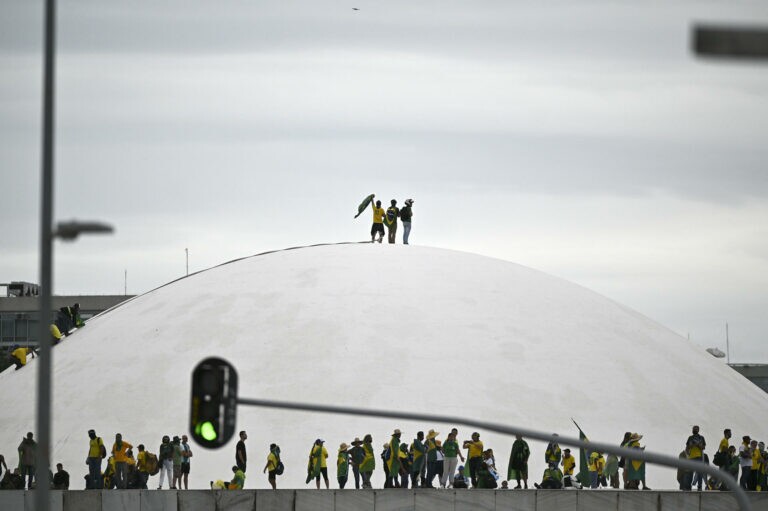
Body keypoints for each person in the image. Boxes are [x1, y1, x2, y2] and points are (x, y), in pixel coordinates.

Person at [686, 425, 706, 491]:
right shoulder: (690, 437)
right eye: (693, 429)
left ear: (698, 430)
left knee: (699, 473)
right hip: (691, 457)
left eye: (695, 429)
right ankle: (688, 487)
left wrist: (699, 445)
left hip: (699, 457)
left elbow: (703, 447)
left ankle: (699, 487)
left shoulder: (701, 438)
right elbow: (687, 447)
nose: (694, 430)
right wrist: (691, 445)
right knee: (690, 473)